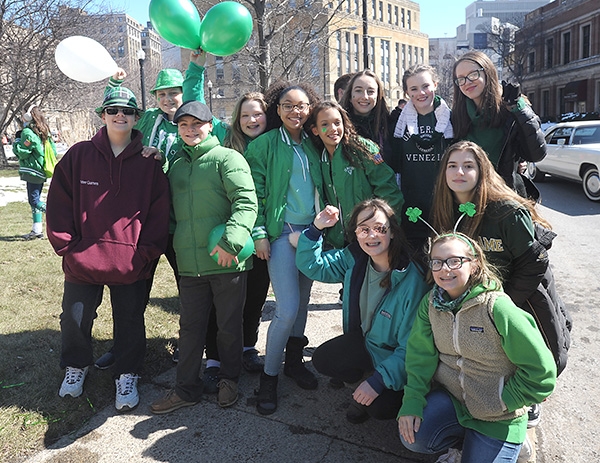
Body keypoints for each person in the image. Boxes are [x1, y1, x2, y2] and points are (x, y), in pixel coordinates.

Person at [46, 87, 170, 412]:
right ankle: (77, 365)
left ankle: (127, 374)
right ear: (102, 115)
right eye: (113, 110)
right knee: (74, 318)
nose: (120, 116)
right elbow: (59, 202)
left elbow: (160, 212)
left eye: (127, 111)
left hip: (129, 263)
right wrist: (67, 246)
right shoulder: (79, 155)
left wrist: (144, 252)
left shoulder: (148, 163)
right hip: (82, 261)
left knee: (130, 320)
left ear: (135, 118)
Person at [397, 232, 557, 463]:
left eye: (454, 261)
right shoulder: (431, 304)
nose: (445, 269)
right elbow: (419, 356)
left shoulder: (497, 308)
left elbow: (542, 372)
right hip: (454, 402)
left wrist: (505, 400)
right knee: (414, 437)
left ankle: (517, 441)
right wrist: (411, 401)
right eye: (437, 262)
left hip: (499, 416)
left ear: (474, 264)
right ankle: (461, 443)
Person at [95, 51, 206, 369]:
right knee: (133, 289)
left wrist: (196, 67)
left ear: (183, 95)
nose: (169, 98)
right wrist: (112, 85)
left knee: (190, 288)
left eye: (174, 92)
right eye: (162, 94)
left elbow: (190, 156)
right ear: (155, 97)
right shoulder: (145, 121)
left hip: (181, 222)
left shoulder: (192, 125)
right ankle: (122, 346)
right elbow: (115, 118)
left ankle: (193, 345)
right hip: (141, 221)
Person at [150, 100, 257, 413]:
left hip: (227, 261)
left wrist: (231, 243)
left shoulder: (227, 158)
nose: (190, 129)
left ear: (211, 125)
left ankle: (229, 379)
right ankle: (185, 389)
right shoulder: (177, 164)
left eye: (197, 123)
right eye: (184, 125)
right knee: (190, 328)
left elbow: (246, 203)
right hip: (190, 263)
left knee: (228, 325)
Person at [296, 199, 429, 424]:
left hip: (396, 356)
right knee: (323, 359)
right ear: (356, 234)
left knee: (381, 408)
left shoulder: (411, 280)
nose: (371, 235)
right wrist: (316, 228)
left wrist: (380, 381)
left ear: (393, 232)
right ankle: (362, 381)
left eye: (379, 228)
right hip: (365, 345)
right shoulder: (355, 259)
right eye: (363, 229)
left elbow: (412, 348)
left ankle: (383, 388)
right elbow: (312, 265)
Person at [244, 81, 323, 415]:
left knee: (303, 304)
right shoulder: (263, 146)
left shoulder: (315, 144)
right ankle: (269, 376)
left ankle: (294, 362)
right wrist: (259, 233)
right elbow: (254, 193)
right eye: (288, 105)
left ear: (309, 109)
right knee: (286, 308)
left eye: (301, 105)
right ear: (277, 109)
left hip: (312, 234)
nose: (295, 111)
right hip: (281, 235)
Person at [202, 92, 271, 392]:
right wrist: (197, 65)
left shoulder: (273, 146)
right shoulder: (225, 142)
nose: (251, 120)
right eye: (245, 115)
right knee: (223, 300)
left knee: (256, 296)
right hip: (232, 233)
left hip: (265, 234)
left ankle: (247, 348)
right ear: (236, 120)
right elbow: (195, 104)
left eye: (257, 114)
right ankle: (214, 357)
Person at [306, 100, 404, 249]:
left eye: (337, 122)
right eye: (325, 124)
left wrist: (385, 231)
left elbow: (389, 192)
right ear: (315, 130)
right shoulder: (320, 157)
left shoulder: (361, 149)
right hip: (338, 243)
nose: (333, 129)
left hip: (370, 240)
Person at [451, 50, 546, 200]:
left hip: (504, 196)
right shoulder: (456, 116)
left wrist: (520, 109)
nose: (467, 82)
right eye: (460, 79)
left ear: (487, 72)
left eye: (473, 74)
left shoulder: (512, 108)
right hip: (468, 198)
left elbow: (537, 154)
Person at [387, 65, 454, 253]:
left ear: (435, 84)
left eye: (425, 86)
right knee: (415, 265)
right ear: (406, 92)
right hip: (411, 208)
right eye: (414, 89)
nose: (421, 93)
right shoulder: (397, 124)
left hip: (444, 206)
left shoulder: (452, 120)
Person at [13, 105, 57, 240]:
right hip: (42, 169)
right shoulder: (44, 131)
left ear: (28, 116)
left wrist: (17, 142)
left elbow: (22, 153)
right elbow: (53, 150)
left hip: (32, 170)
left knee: (34, 199)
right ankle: (37, 230)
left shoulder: (27, 132)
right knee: (34, 200)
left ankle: (57, 214)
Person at [339, 70, 390, 149]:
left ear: (378, 96)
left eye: (370, 91)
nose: (365, 97)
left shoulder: (390, 125)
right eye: (358, 91)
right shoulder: (338, 125)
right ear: (350, 96)